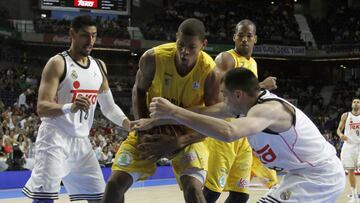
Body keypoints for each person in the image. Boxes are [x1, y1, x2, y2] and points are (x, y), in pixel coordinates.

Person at [138, 68, 346, 203]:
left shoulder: (269, 110)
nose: (221, 99)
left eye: (224, 94)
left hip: (320, 176)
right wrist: (158, 120)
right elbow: (202, 113)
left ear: (238, 94)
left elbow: (229, 132)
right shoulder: (244, 105)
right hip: (298, 175)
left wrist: (174, 110)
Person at [102, 18, 218, 203]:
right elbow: (138, 90)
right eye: (181, 45)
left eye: (191, 47)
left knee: (193, 188)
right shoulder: (153, 58)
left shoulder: (210, 72)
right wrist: (142, 131)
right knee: (114, 185)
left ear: (203, 45)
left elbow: (214, 120)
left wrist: (179, 141)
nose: (184, 52)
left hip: (188, 135)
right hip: (151, 128)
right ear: (176, 38)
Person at [22, 15, 130, 203]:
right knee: (44, 198)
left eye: (94, 35)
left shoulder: (99, 66)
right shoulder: (57, 63)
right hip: (54, 138)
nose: (90, 41)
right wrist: (69, 107)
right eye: (85, 35)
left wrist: (128, 123)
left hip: (81, 142)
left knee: (103, 197)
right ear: (72, 34)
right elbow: (42, 107)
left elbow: (109, 106)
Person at [203, 19, 277, 203]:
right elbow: (217, 97)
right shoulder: (226, 59)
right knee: (211, 192)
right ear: (234, 37)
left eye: (249, 36)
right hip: (223, 134)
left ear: (255, 39)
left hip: (242, 136)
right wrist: (260, 86)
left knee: (240, 195)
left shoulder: (252, 63)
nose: (244, 39)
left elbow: (247, 100)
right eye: (241, 35)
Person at [337, 98, 360, 203]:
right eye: (354, 102)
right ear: (351, 104)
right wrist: (341, 135)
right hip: (349, 146)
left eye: (358, 102)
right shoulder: (345, 115)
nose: (356, 103)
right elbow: (338, 130)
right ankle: (354, 196)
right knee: (350, 171)